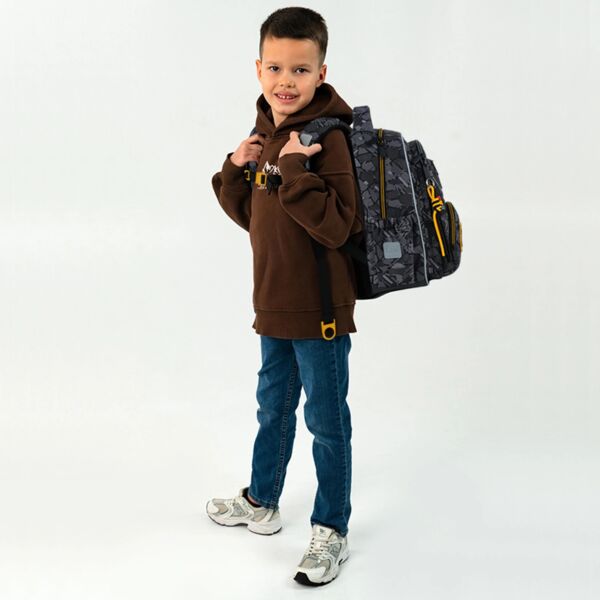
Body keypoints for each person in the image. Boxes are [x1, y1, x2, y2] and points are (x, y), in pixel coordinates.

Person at [206, 7, 362, 587]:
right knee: (272, 408)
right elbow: (257, 218)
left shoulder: (328, 139)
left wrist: (295, 170)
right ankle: (262, 500)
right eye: (275, 67)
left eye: (300, 69)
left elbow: (337, 226)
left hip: (320, 313)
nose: (286, 81)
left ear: (322, 73)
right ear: (258, 69)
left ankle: (331, 529)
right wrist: (235, 169)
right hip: (272, 304)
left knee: (327, 423)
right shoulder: (267, 134)